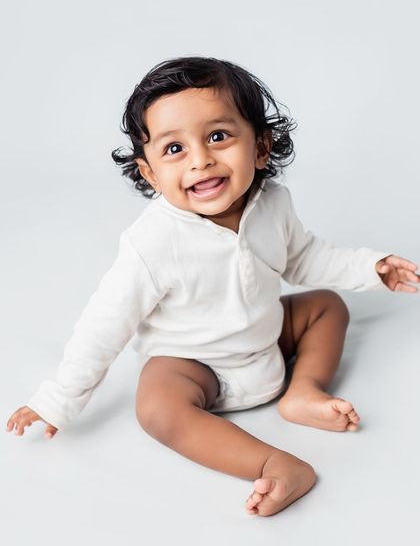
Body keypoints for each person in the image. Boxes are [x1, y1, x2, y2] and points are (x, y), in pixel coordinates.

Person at [6, 56, 419, 517]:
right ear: (150, 173)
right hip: (192, 364)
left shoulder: (273, 203)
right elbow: (104, 325)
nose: (201, 160)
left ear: (260, 148)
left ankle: (303, 390)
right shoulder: (153, 242)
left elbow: (303, 257)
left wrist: (370, 268)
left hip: (265, 342)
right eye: (174, 149)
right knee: (157, 406)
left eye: (218, 137)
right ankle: (274, 462)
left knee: (327, 306)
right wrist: (59, 399)